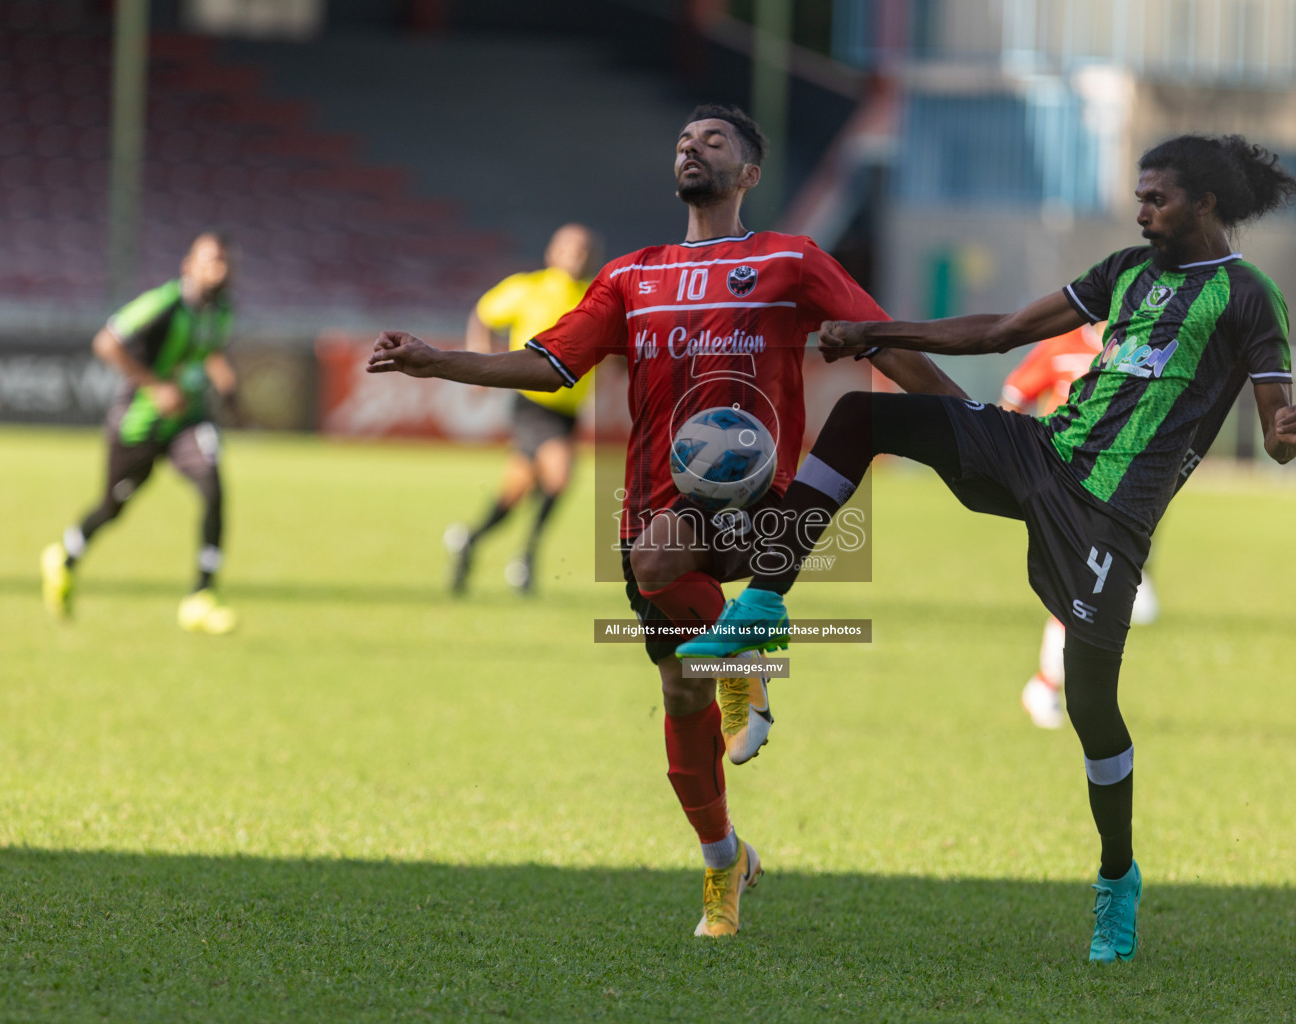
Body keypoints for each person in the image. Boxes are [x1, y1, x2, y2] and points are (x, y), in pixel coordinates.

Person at [680, 134, 1296, 962]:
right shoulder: (1125, 270)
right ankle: (763, 603)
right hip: (1042, 453)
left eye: (1156, 197)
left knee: (1090, 707)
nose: (1140, 209)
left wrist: (1290, 434)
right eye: (1139, 194)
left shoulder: (1248, 297)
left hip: (1109, 519)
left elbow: (1277, 430)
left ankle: (1116, 883)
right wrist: (880, 332)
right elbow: (1007, 330)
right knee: (864, 419)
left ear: (1202, 203)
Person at [367, 104, 965, 937]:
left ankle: (744, 655)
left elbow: (879, 339)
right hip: (655, 494)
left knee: (654, 562)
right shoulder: (630, 276)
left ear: (750, 174)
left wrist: (965, 416)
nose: (693, 147)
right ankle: (726, 863)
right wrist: (437, 361)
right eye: (685, 140)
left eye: (714, 141)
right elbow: (548, 364)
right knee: (680, 691)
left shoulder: (789, 259)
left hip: (761, 499)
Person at [40, 231, 241, 634]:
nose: (217, 269)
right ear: (189, 266)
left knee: (214, 489)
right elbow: (107, 342)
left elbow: (208, 351)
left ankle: (201, 596)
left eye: (223, 261)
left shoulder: (222, 311)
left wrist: (225, 382)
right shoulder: (164, 304)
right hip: (140, 424)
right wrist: (155, 387)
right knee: (113, 507)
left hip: (188, 419)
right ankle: (64, 556)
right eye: (209, 261)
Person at [999, 324, 1161, 729]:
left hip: (1116, 489)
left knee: (1086, 591)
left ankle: (1049, 685)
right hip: (1063, 484)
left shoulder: (1141, 349)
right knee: (1081, 588)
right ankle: (1048, 686)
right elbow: (1016, 396)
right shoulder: (1061, 345)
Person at [445, 223, 602, 595]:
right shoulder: (527, 289)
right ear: (552, 252)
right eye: (569, 248)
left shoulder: (597, 297)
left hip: (568, 412)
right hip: (531, 403)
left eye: (583, 249)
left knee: (515, 494)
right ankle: (526, 558)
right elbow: (483, 315)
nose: (576, 256)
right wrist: (480, 366)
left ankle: (469, 541)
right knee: (561, 476)